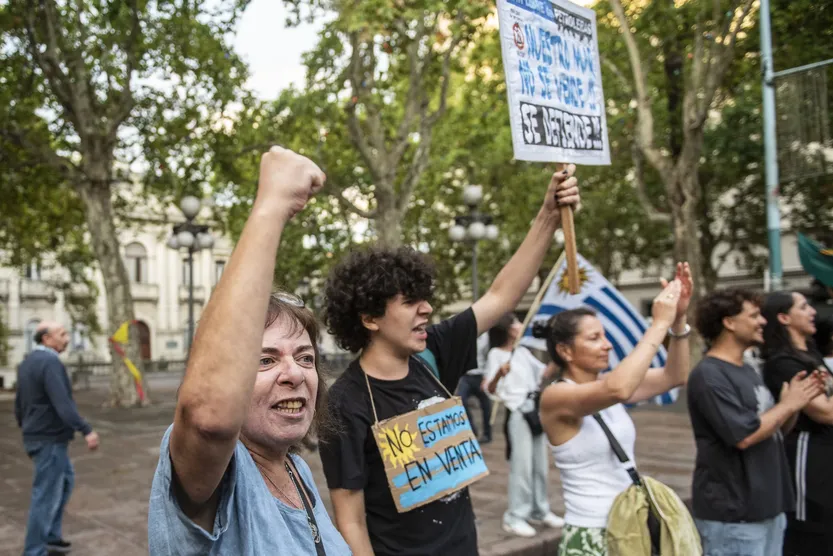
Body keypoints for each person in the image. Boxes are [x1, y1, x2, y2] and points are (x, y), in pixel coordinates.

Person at [319, 166, 581, 556]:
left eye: (424, 298)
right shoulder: (345, 403)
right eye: (409, 302)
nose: (426, 310)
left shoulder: (434, 352)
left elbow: (501, 295)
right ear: (369, 318)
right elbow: (350, 520)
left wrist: (547, 214)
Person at [147, 146, 351, 555]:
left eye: (306, 357)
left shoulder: (295, 469)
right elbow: (208, 416)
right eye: (265, 359)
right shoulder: (217, 476)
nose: (295, 373)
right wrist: (272, 205)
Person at [539, 263, 693, 556]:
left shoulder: (607, 383)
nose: (607, 346)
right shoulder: (556, 396)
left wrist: (678, 320)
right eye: (594, 338)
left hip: (629, 524)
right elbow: (619, 390)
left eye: (605, 336)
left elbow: (674, 376)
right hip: (592, 534)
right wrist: (658, 324)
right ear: (565, 351)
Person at [687, 289, 824, 556]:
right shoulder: (709, 374)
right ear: (729, 322)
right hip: (734, 518)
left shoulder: (747, 370)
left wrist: (791, 407)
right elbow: (743, 436)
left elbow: (771, 430)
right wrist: (787, 405)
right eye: (754, 315)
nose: (763, 321)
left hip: (769, 511)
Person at [15, 321, 100, 556]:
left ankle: (51, 537)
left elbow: (19, 403)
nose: (67, 338)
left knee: (64, 483)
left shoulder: (27, 362)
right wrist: (86, 429)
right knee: (45, 495)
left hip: (39, 435)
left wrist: (26, 426)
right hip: (48, 439)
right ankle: (34, 551)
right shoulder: (50, 362)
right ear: (46, 339)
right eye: (62, 334)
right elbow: (62, 403)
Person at [761, 291, 833, 555]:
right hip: (808, 456)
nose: (812, 311)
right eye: (803, 307)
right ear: (784, 317)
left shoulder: (811, 355)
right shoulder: (783, 363)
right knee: (812, 533)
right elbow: (825, 412)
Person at [483, 314, 564, 537]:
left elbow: (544, 374)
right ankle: (515, 516)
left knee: (540, 464)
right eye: (516, 323)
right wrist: (499, 373)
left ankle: (539, 510)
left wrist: (559, 353)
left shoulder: (524, 352)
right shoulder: (496, 354)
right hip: (518, 413)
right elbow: (489, 388)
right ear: (507, 329)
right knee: (522, 466)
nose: (520, 326)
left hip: (535, 411)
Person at [458, 333, 493, 443]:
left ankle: (487, 433)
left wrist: (487, 377)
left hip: (481, 375)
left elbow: (489, 358)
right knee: (460, 400)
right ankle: (472, 430)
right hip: (466, 376)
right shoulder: (464, 335)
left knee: (486, 405)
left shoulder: (487, 337)